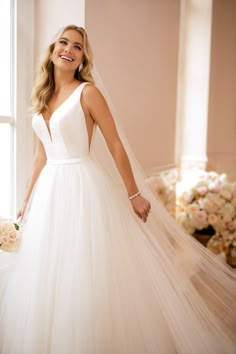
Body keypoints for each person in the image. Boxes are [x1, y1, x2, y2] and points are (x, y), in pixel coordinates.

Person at [0, 24, 235, 354]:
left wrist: (134, 193)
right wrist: (26, 199)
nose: (69, 49)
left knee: (82, 267)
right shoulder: (41, 98)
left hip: (82, 187)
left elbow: (115, 144)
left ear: (83, 57)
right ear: (53, 50)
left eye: (77, 46)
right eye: (63, 43)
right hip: (49, 193)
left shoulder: (88, 93)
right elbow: (41, 155)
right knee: (47, 272)